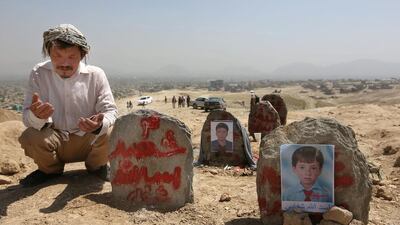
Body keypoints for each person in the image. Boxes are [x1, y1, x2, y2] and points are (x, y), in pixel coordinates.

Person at [18, 24, 118, 188]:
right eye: (57, 55)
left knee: (111, 130)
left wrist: (98, 125)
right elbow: (27, 119)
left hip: (88, 140)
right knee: (31, 136)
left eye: (71, 57)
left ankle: (97, 166)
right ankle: (50, 170)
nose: (64, 63)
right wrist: (36, 116)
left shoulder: (96, 75)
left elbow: (110, 111)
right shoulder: (39, 72)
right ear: (49, 53)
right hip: (56, 139)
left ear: (82, 55)